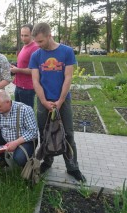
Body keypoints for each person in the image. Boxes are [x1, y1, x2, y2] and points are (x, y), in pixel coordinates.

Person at [30, 22, 86, 182]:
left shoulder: (66, 52)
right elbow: (36, 81)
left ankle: (72, 167)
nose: (38, 45)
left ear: (49, 35)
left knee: (68, 133)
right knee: (44, 133)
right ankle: (47, 161)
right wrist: (43, 100)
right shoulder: (36, 55)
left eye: (40, 41)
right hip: (43, 101)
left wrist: (60, 101)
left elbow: (68, 78)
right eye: (36, 42)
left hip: (63, 100)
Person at [0, 90, 38, 167]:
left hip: (24, 141)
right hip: (6, 139)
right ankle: (5, 159)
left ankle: (24, 165)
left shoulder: (25, 109)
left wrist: (16, 142)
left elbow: (33, 132)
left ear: (8, 102)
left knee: (19, 159)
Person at [10, 24, 39, 109]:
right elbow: (23, 64)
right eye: (22, 35)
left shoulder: (35, 48)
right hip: (19, 85)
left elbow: (34, 70)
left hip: (27, 88)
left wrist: (17, 70)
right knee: (18, 113)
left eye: (26, 35)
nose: (23, 38)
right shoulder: (25, 46)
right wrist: (14, 66)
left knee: (26, 114)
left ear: (32, 34)